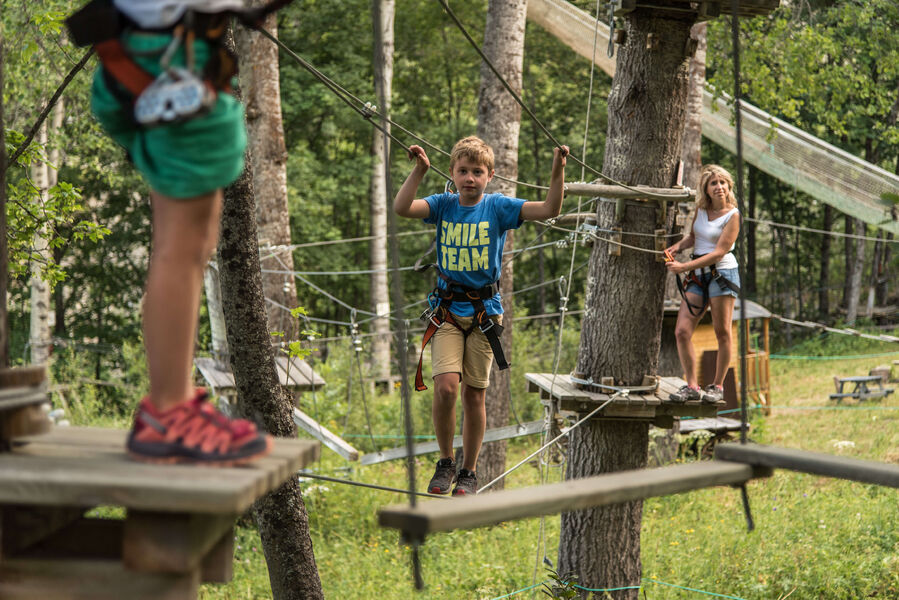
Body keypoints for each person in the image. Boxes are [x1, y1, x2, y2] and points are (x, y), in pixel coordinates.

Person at [83, 0, 272, 464]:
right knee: (181, 250)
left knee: (190, 246)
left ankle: (172, 404)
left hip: (156, 49)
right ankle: (167, 412)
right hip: (168, 57)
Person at [394, 136, 568, 496]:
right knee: (445, 388)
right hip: (446, 311)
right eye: (462, 171)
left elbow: (550, 208)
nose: (469, 178)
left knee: (475, 395)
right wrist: (420, 170)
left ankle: (469, 471)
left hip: (484, 313)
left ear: (490, 176)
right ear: (453, 174)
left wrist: (558, 170)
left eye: (477, 172)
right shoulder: (443, 205)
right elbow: (402, 207)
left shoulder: (499, 208)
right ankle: (446, 462)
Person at [664, 165, 741, 405]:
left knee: (722, 332)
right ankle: (692, 385)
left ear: (729, 186)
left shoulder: (733, 215)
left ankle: (717, 386)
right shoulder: (701, 209)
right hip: (698, 273)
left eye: (722, 183)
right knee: (682, 331)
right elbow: (695, 237)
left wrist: (683, 267)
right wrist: (678, 247)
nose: (719, 187)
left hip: (721, 273)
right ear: (706, 189)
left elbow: (719, 252)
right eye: (713, 183)